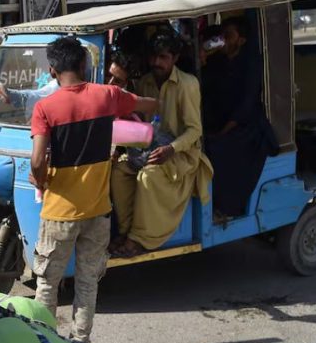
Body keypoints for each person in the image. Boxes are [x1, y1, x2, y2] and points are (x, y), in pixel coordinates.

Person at [30, 37, 158, 343]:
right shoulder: (108, 95)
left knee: (48, 283)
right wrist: (155, 104)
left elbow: (37, 160)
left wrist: (42, 179)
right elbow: (146, 104)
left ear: (52, 71)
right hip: (98, 211)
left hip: (59, 212)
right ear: (84, 65)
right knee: (88, 283)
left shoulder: (45, 107)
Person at [110, 34, 213, 258]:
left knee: (148, 176)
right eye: (154, 57)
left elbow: (195, 130)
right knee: (119, 172)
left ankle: (140, 239)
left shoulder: (187, 84)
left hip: (180, 154)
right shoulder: (145, 82)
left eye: (163, 57)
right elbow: (140, 120)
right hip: (147, 149)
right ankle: (128, 231)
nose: (157, 62)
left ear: (175, 58)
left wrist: (171, 149)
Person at [201, 17, 279, 219]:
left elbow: (247, 104)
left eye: (228, 36)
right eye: (222, 35)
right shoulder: (218, 60)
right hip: (220, 118)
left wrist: (223, 132)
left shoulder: (251, 63)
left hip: (246, 124)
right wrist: (202, 60)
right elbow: (205, 89)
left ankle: (225, 208)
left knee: (219, 148)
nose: (223, 40)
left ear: (241, 40)